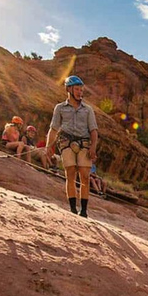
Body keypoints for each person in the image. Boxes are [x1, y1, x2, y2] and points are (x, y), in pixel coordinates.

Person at [46, 76, 99, 217]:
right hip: (66, 143)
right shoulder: (60, 108)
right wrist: (48, 147)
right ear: (69, 89)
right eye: (77, 89)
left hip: (84, 144)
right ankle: (73, 209)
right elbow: (53, 129)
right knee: (70, 174)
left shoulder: (88, 110)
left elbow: (93, 130)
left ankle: (84, 211)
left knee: (85, 176)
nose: (80, 92)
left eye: (81, 90)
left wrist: (93, 147)